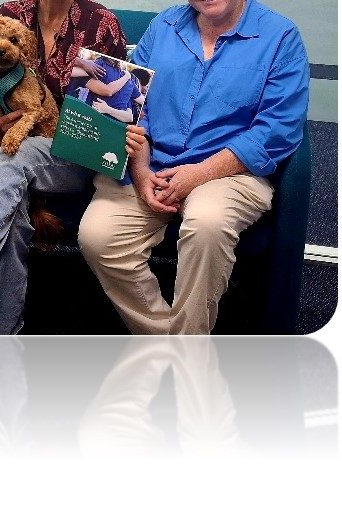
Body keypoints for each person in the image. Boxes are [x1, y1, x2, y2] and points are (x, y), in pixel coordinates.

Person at [0, 0, 146, 335]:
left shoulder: (101, 23)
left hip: (72, 153)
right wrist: (0, 116)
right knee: (11, 201)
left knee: (10, 160)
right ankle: (2, 339)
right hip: (12, 150)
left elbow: (115, 105)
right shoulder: (10, 14)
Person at [78, 0, 309, 334]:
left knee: (207, 225)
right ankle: (174, 342)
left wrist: (199, 174)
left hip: (230, 171)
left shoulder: (281, 37)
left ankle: (188, 350)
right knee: (98, 236)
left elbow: (278, 129)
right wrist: (141, 172)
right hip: (152, 164)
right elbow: (134, 103)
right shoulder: (164, 26)